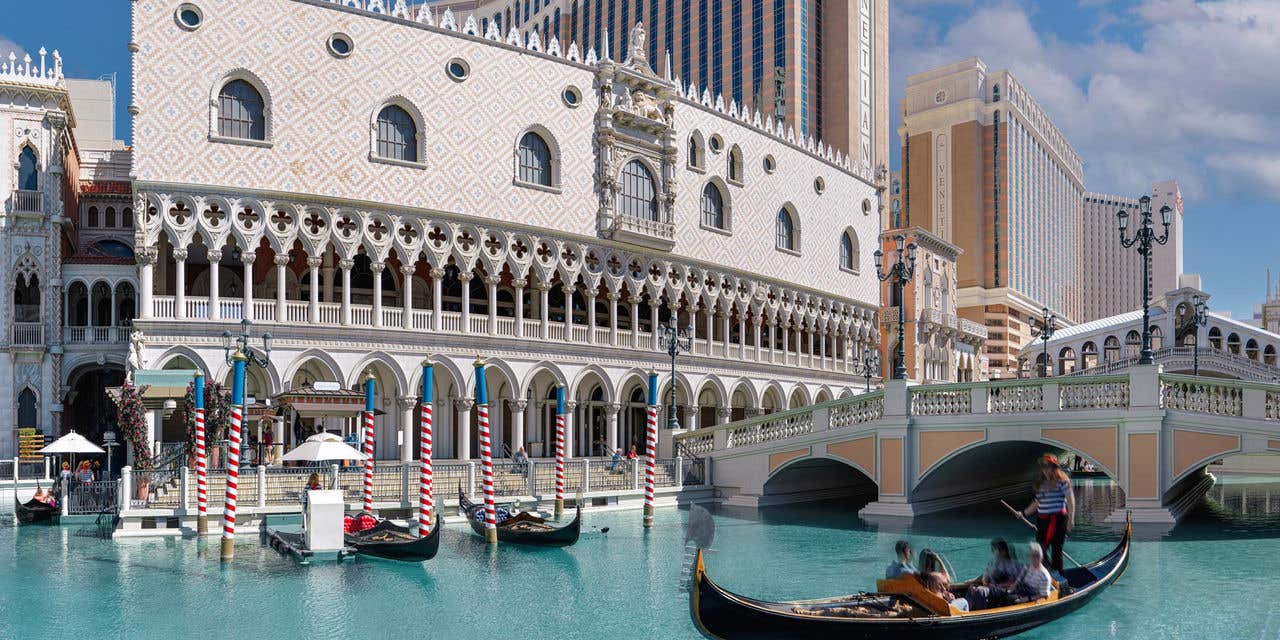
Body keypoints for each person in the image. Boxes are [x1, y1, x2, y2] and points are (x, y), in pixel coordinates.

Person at [1022, 453, 1074, 572]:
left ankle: (1059, 577)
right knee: (1040, 550)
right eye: (1043, 466)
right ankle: (1048, 573)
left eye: (1047, 466)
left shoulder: (1063, 482)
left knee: (1057, 550)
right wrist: (1024, 513)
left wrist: (1071, 520)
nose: (1045, 469)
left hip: (1059, 520)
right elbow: (1036, 503)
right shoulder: (1040, 483)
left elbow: (1071, 501)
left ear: (1054, 467)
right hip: (1043, 521)